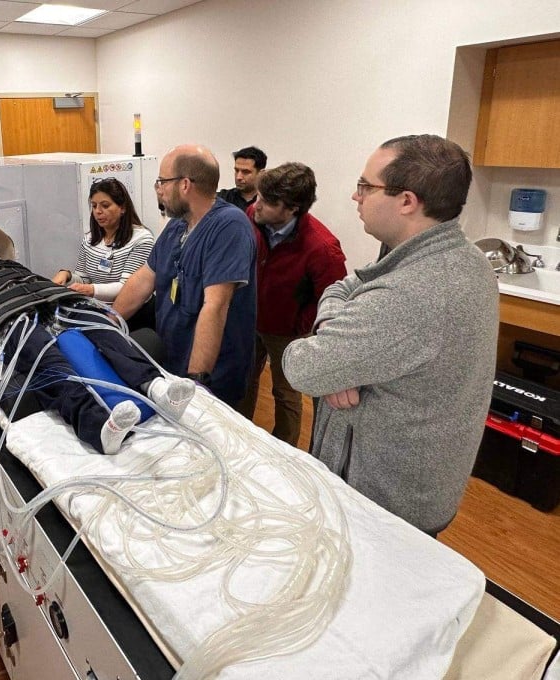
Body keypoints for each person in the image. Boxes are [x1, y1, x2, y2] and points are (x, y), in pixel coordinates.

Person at [282, 135, 498, 536]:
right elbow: (345, 287)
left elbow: (302, 366)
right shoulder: (461, 259)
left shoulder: (412, 293)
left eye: (366, 186)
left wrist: (332, 357)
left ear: (407, 201)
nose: (355, 196)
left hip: (381, 509)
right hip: (421, 489)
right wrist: (337, 335)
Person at [0, 245, 196, 455]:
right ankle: (98, 426)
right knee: (47, 362)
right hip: (9, 317)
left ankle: (156, 388)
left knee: (106, 333)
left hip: (56, 300)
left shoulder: (5, 264)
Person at [112, 144, 257, 406]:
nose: (159, 189)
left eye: (162, 181)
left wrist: (197, 383)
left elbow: (216, 305)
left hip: (213, 376)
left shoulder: (229, 227)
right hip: (171, 364)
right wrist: (109, 321)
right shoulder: (177, 226)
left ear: (185, 185)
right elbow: (145, 279)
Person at [236, 163, 347, 446]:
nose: (256, 205)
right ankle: (241, 438)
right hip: (250, 320)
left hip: (286, 332)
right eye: (258, 196)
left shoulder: (322, 248)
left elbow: (333, 300)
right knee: (244, 381)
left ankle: (285, 450)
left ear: (292, 208)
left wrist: (300, 324)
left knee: (286, 393)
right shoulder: (253, 216)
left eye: (267, 201)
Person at [52, 177, 156, 330]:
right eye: (94, 206)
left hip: (132, 315)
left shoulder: (141, 239)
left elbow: (129, 288)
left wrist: (92, 290)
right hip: (99, 312)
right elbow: (84, 278)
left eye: (105, 206)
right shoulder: (90, 239)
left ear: (123, 208)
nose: (98, 211)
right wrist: (67, 276)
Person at [217, 146, 267, 212]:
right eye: (237, 170)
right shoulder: (223, 198)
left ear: (261, 174)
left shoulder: (269, 202)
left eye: (246, 172)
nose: (238, 177)